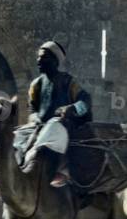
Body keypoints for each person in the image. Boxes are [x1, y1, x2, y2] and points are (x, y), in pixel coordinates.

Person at [21, 40, 91, 188]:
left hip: (61, 127)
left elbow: (85, 101)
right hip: (39, 127)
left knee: (53, 127)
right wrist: (34, 118)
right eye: (38, 57)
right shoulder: (35, 85)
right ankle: (18, 174)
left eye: (44, 57)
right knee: (17, 135)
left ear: (54, 61)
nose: (39, 60)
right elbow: (32, 109)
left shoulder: (68, 82)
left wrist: (71, 108)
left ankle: (57, 171)